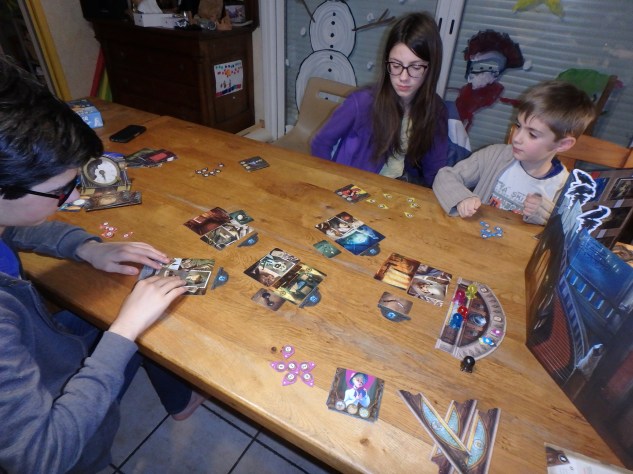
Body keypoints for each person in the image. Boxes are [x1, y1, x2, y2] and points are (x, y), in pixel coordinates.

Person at [0, 57, 205, 473]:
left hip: (48, 348)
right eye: (61, 190)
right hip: (71, 449)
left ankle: (180, 400)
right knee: (137, 321)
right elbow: (41, 456)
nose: (75, 197)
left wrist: (87, 248)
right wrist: (124, 331)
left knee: (141, 312)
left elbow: (12, 227)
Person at [310, 12, 470, 187]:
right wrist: (331, 184)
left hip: (395, 189)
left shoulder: (435, 110)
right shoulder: (362, 102)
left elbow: (435, 173)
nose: (403, 77)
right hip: (353, 186)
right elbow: (321, 143)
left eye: (415, 67)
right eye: (395, 65)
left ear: (431, 68)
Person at [433, 80, 596, 225]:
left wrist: (544, 215)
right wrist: (461, 197)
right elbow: (445, 176)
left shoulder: (565, 187)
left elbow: (567, 232)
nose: (517, 138)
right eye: (518, 126)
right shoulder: (494, 156)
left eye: (532, 134)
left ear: (563, 144)